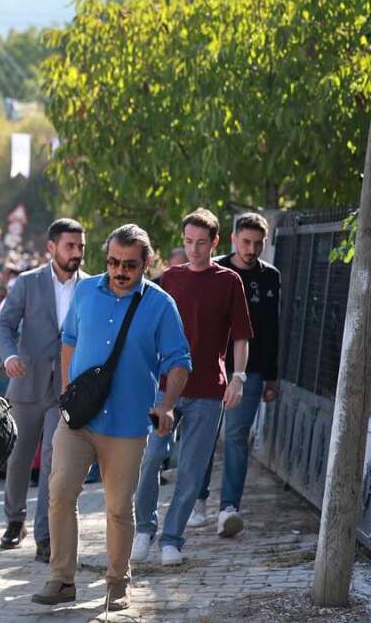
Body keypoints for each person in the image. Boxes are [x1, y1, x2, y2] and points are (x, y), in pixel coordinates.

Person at [32, 224, 191, 612]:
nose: (120, 271)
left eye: (130, 265)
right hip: (78, 422)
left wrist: (167, 403)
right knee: (60, 492)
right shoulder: (86, 291)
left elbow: (179, 361)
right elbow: (69, 340)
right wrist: (70, 392)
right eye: (113, 262)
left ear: (146, 263)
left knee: (119, 508)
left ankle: (118, 583)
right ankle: (62, 578)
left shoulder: (159, 305)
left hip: (126, 426)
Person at [132, 208, 252, 566]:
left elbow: (242, 337)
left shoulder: (230, 281)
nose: (194, 249)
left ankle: (172, 539)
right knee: (152, 456)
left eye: (201, 243)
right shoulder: (169, 279)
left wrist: (239, 377)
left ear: (215, 242)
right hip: (164, 386)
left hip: (208, 389)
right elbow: (147, 330)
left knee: (192, 467)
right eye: (188, 242)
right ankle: (143, 529)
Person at [0, 218, 87, 562]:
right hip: (27, 381)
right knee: (18, 458)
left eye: (81, 246)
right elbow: (4, 325)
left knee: (52, 459)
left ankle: (45, 535)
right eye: (70, 246)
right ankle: (14, 519)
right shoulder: (27, 283)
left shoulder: (91, 287)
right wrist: (10, 356)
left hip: (66, 387)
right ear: (52, 247)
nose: (77, 252)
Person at [194, 212, 279, 538]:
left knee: (235, 438)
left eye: (258, 243)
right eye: (246, 242)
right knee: (204, 436)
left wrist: (272, 376)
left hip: (251, 370)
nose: (251, 249)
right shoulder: (213, 270)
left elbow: (272, 329)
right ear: (232, 239)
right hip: (209, 368)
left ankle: (229, 508)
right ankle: (197, 500)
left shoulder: (270, 277)